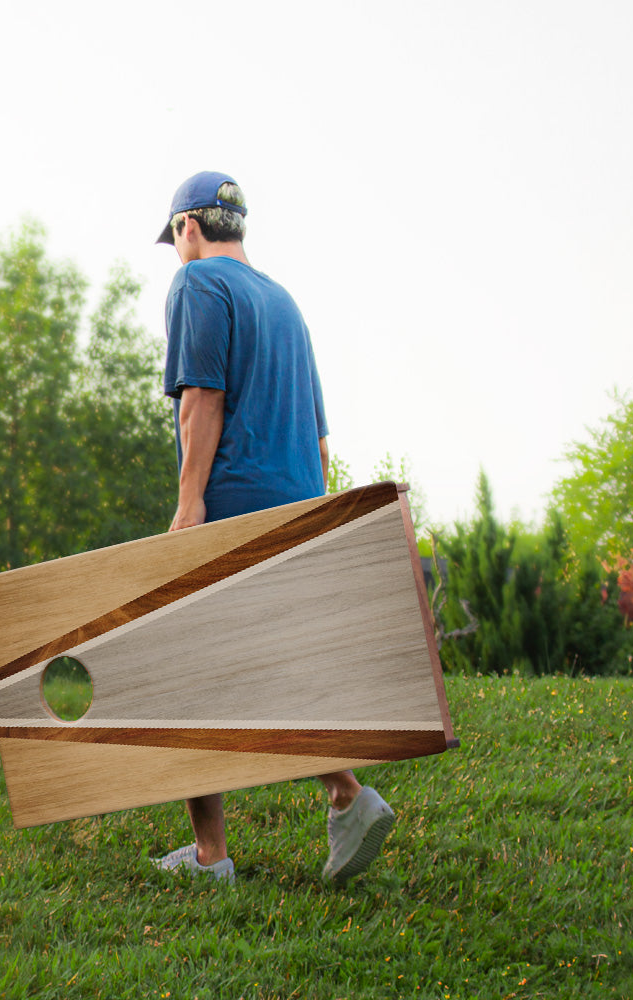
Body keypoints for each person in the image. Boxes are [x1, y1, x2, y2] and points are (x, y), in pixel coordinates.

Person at [151, 171, 395, 885]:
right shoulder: (286, 304)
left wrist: (190, 502)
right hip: (298, 498)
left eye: (172, 236)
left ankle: (211, 857)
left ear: (189, 226)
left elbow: (202, 399)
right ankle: (347, 795)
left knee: (187, 674)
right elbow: (320, 438)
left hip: (232, 497)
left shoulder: (199, 285)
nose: (174, 249)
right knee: (268, 667)